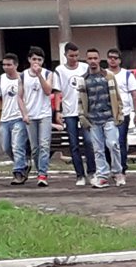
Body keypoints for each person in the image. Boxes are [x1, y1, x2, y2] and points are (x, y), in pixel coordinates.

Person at [77, 48, 125, 188]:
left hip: (109, 117)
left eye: (95, 58)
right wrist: (82, 117)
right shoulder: (83, 79)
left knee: (113, 144)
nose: (92, 61)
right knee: (97, 149)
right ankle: (102, 174)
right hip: (93, 119)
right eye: (90, 58)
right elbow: (80, 100)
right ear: (86, 60)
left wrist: (119, 113)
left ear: (99, 59)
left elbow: (117, 95)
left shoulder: (108, 76)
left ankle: (117, 172)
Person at [0, 54, 29, 185]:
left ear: (16, 65)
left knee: (17, 145)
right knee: (6, 146)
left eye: (9, 64)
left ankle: (19, 172)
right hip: (5, 118)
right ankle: (23, 163)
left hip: (19, 117)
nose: (6, 67)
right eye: (4, 65)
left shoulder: (24, 78)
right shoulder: (0, 80)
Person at [55, 41, 94, 186]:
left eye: (76, 55)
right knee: (73, 144)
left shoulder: (85, 68)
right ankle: (79, 175)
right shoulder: (60, 70)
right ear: (65, 55)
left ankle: (91, 171)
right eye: (71, 56)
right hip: (69, 111)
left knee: (89, 142)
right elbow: (58, 92)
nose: (74, 58)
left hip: (84, 111)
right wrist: (58, 111)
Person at [20, 47, 58, 186]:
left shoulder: (48, 73)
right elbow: (19, 96)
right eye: (34, 59)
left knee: (44, 145)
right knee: (35, 148)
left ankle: (43, 174)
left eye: (39, 60)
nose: (36, 62)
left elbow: (48, 91)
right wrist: (24, 114)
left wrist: (39, 75)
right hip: (30, 115)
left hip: (44, 114)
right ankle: (38, 170)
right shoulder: (23, 75)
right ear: (29, 59)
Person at [105, 48, 136, 174]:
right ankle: (110, 166)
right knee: (108, 143)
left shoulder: (127, 75)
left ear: (120, 60)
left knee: (120, 142)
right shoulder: (103, 74)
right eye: (110, 57)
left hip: (123, 113)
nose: (112, 60)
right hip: (106, 114)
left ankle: (122, 168)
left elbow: (134, 95)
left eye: (115, 57)